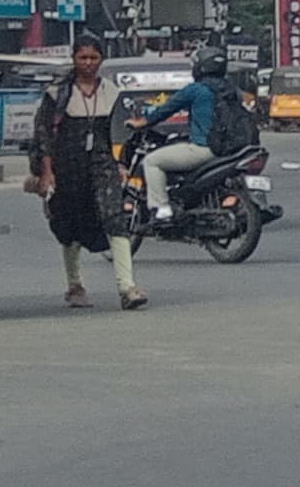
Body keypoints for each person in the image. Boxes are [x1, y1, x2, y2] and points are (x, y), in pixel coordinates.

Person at [31, 38, 141, 311]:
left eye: (93, 58)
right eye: (83, 58)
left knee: (114, 217)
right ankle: (75, 285)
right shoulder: (58, 94)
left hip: (101, 163)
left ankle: (127, 287)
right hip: (68, 165)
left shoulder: (111, 92)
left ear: (101, 60)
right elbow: (44, 135)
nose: (88, 63)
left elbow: (118, 131)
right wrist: (47, 172)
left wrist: (120, 164)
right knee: (70, 223)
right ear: (74, 59)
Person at [128, 47, 236, 226]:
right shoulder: (232, 90)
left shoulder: (196, 90)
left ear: (200, 67)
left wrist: (143, 122)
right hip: (231, 149)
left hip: (204, 149)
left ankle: (162, 209)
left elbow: (166, 109)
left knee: (152, 161)